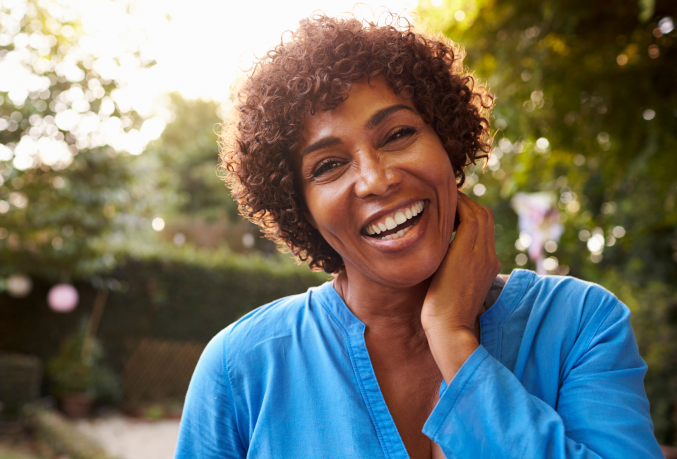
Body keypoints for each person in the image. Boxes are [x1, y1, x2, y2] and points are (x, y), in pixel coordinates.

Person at [174, 12, 663, 459]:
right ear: (300, 208)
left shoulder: (580, 324)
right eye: (328, 165)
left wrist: (453, 340)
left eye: (397, 134)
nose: (376, 178)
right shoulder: (241, 369)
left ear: (448, 142)